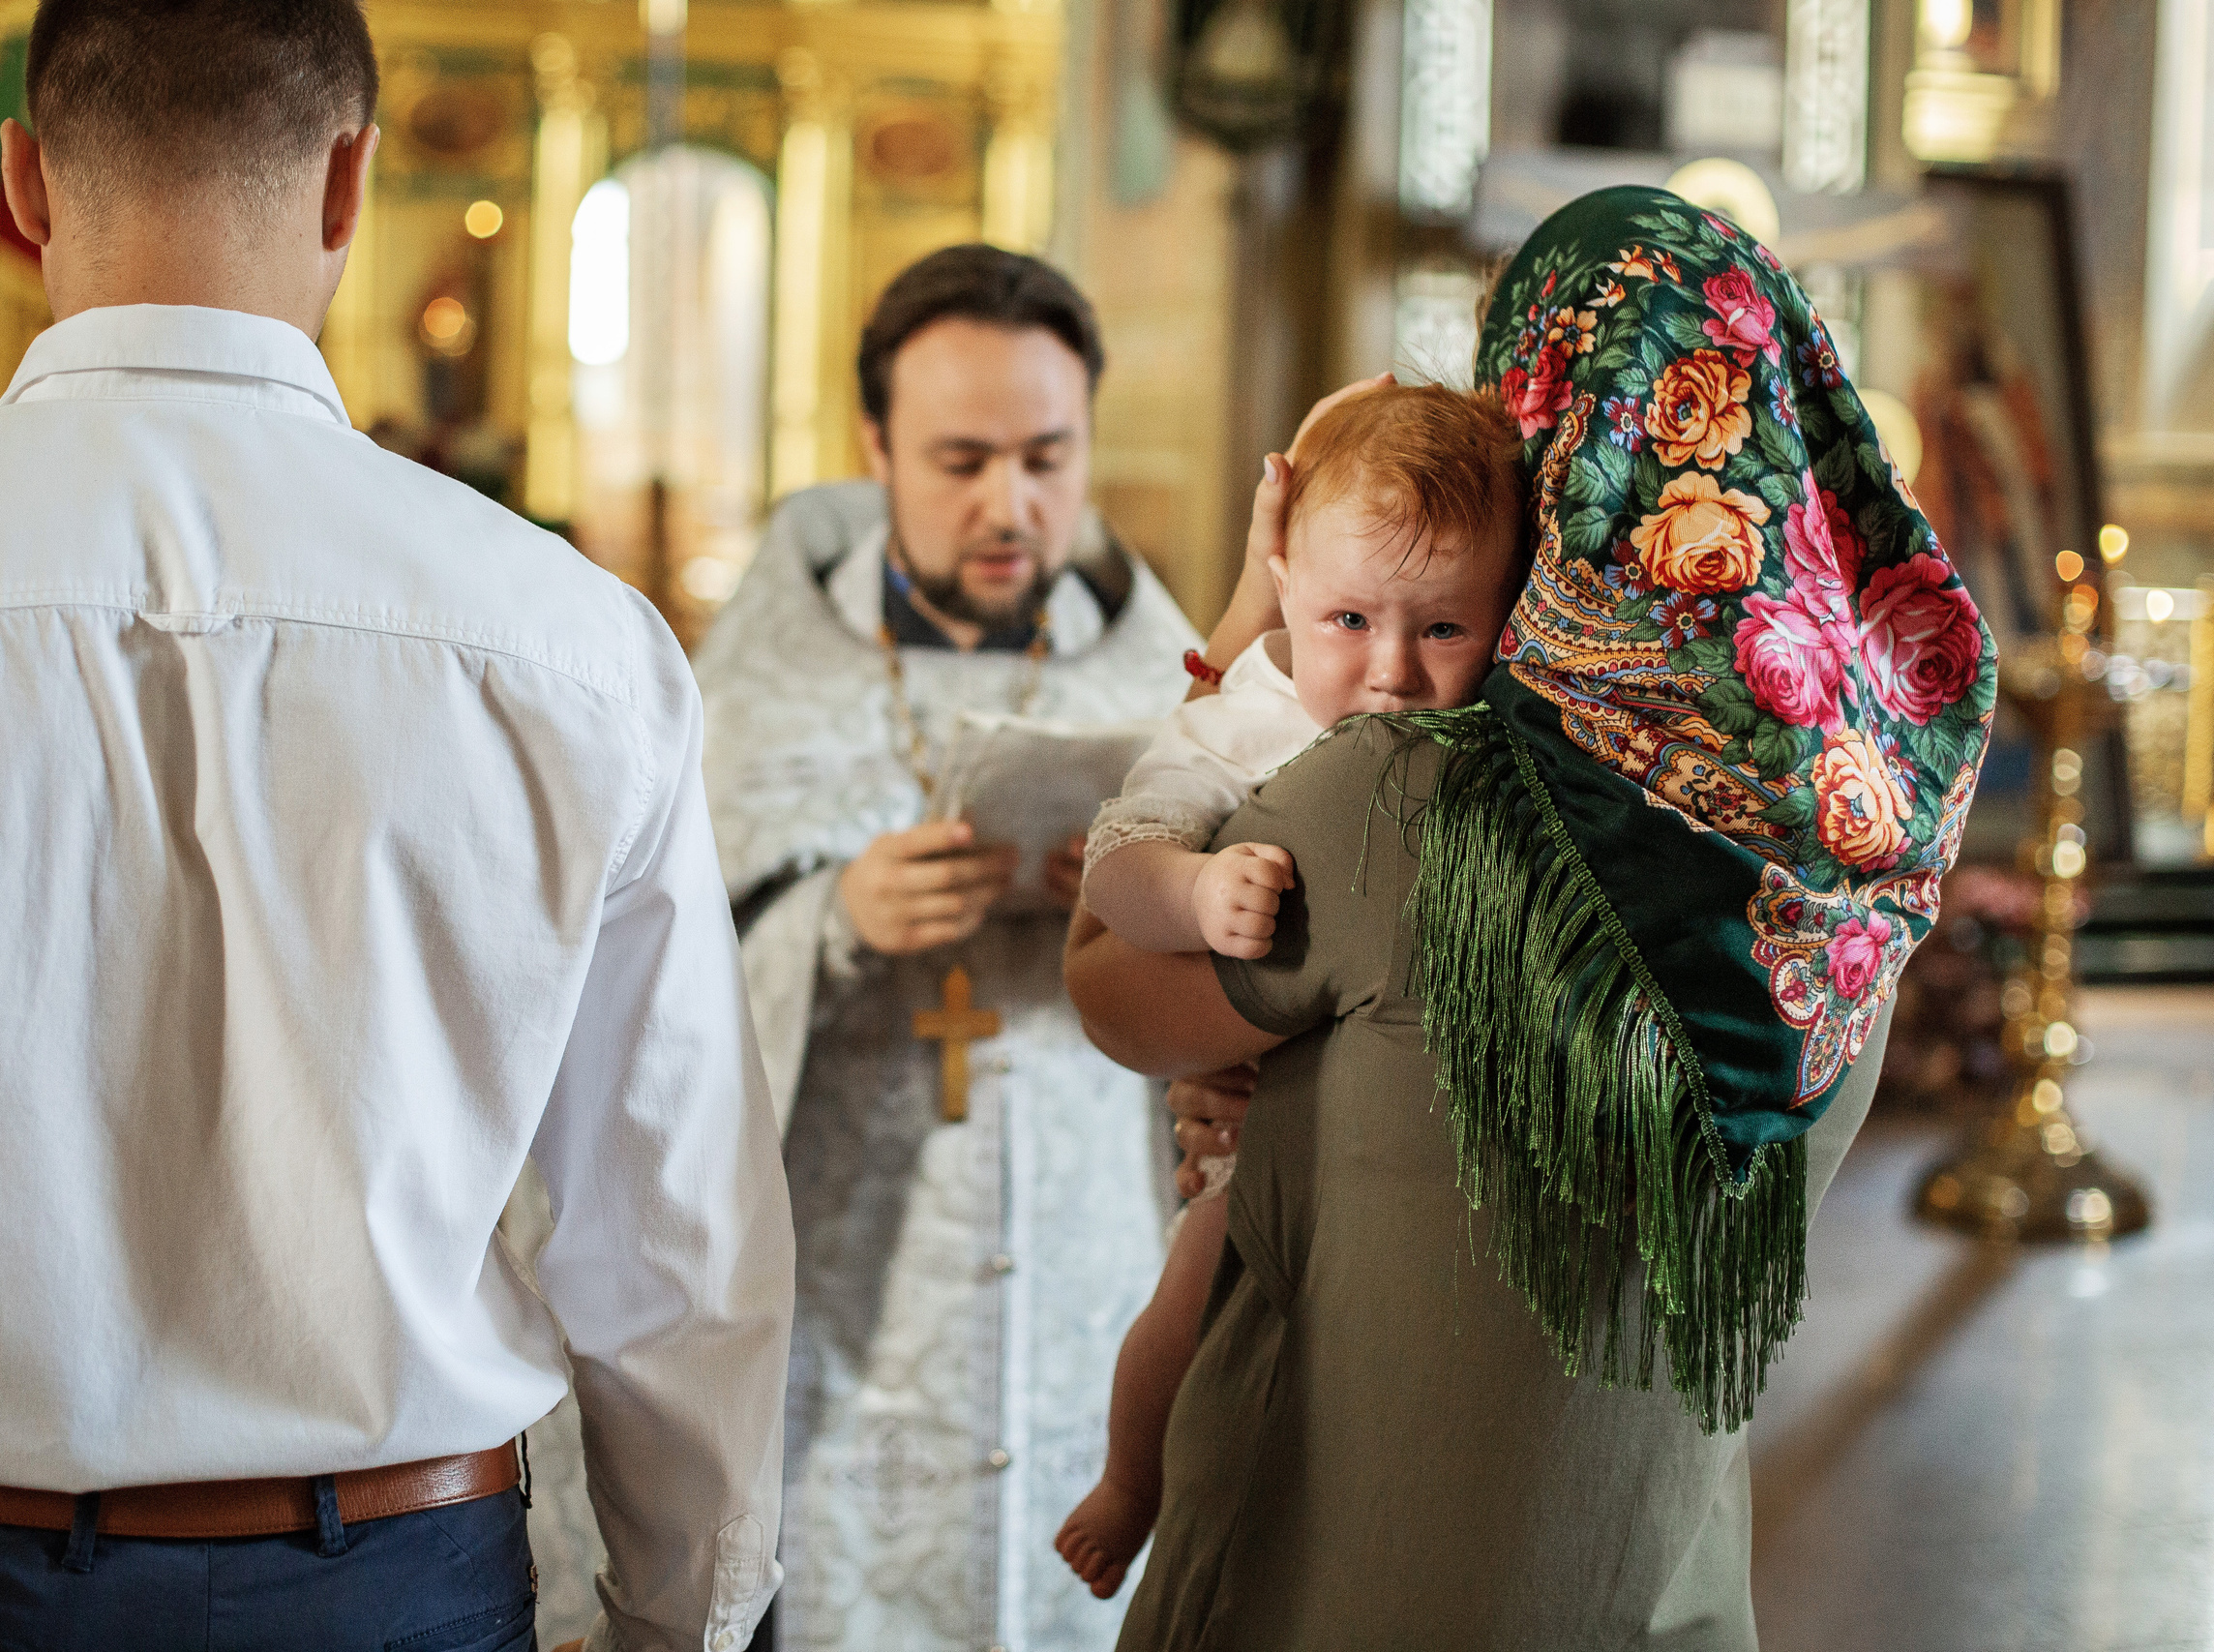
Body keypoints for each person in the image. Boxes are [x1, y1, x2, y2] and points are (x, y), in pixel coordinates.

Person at [0, 3, 791, 1648]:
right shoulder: (572, 645)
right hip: (394, 1588)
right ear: (354, 181)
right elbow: (675, 1243)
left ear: (19, 181)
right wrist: (685, 1622)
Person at [1066, 186, 1995, 1648]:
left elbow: (1113, 983)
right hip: (1646, 1581)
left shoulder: (1407, 800)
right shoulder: (1850, 867)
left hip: (1351, 1576)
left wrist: (1266, 592)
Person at [691, 245, 1199, 1650]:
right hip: (847, 1306)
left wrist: (1150, 900)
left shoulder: (1168, 683)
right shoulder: (752, 695)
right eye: (960, 458)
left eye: (1047, 456)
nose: (1009, 503)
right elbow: (632, 1008)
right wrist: (829, 920)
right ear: (874, 448)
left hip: (1091, 1266)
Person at [1054, 380, 1526, 1599]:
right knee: (1196, 1283)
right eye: (1348, 620)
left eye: (1443, 630)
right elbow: (1117, 869)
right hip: (1250, 1112)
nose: (1390, 674)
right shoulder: (1249, 710)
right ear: (1283, 576)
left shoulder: (1500, 735)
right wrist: (1200, 893)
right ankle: (1127, 1480)